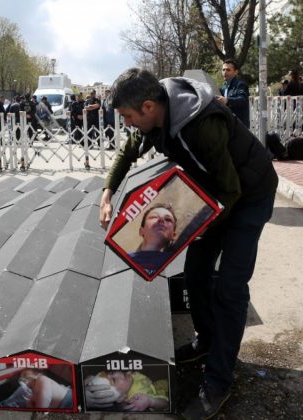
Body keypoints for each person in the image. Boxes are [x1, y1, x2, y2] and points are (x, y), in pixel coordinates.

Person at [99, 68, 277, 420]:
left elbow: (231, 190)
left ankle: (218, 380)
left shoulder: (200, 126)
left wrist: (195, 228)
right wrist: (107, 194)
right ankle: (207, 341)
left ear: (149, 106)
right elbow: (128, 152)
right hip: (215, 194)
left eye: (128, 117)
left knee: (230, 287)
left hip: (249, 194)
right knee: (195, 272)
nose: (128, 123)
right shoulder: (156, 118)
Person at [128, 203, 177, 275]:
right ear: (141, 231)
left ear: (173, 235)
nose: (161, 220)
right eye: (154, 217)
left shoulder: (177, 263)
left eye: (168, 219)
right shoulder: (124, 260)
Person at [84, 370, 168, 412]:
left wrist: (90, 379)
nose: (117, 372)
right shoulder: (137, 397)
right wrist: (151, 402)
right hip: (164, 394)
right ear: (121, 398)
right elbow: (165, 404)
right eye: (114, 379)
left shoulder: (127, 379)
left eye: (110, 372)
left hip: (156, 383)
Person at [217, 58, 250, 128]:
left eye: (228, 70)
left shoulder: (240, 85)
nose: (225, 72)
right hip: (227, 126)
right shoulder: (222, 88)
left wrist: (227, 100)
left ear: (236, 72)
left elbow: (243, 100)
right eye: (223, 70)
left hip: (240, 127)